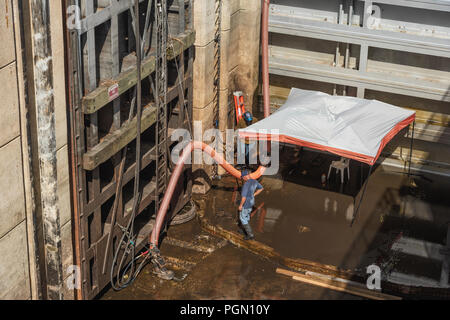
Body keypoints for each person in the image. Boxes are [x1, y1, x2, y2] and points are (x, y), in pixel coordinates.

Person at [238, 170, 264, 240]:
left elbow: (244, 197)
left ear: (245, 177)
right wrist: (254, 194)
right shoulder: (254, 181)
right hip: (251, 203)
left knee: (243, 218)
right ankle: (243, 229)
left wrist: (240, 205)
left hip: (246, 204)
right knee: (247, 215)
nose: (242, 178)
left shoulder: (246, 185)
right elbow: (261, 188)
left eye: (242, 177)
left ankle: (250, 235)